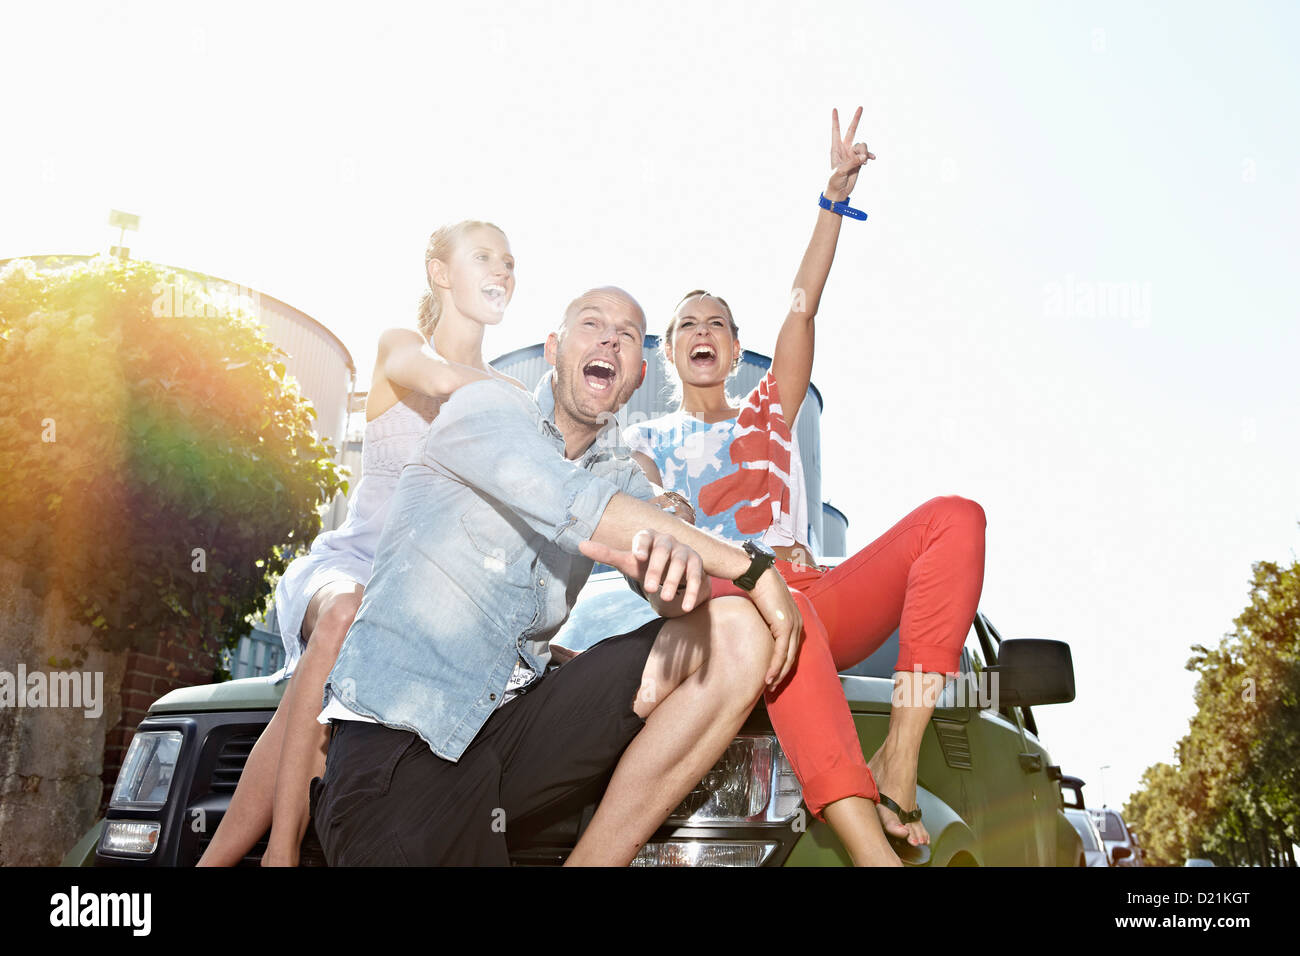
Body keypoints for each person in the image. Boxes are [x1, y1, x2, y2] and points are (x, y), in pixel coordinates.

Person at [312, 287, 804, 866]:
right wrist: (754, 567)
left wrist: (678, 567)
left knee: (734, 631)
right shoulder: (487, 408)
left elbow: (670, 589)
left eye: (625, 335)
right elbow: (576, 501)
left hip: (506, 743)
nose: (609, 339)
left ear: (636, 375)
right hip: (400, 753)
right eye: (591, 324)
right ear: (553, 348)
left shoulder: (623, 480)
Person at [622, 108, 988, 866]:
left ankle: (900, 758)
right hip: (730, 600)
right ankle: (870, 851)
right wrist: (673, 512)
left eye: (717, 322)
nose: (702, 328)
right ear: (670, 352)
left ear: (731, 348)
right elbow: (644, 503)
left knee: (956, 519)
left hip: (814, 586)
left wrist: (832, 203)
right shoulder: (647, 439)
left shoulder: (770, 410)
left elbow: (803, 303)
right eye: (687, 321)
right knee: (780, 612)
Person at [197, 220, 522, 866]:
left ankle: (215, 861)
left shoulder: (508, 393)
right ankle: (281, 852)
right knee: (345, 615)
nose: (503, 270)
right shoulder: (403, 347)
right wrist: (520, 408)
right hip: (349, 567)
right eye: (484, 256)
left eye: (510, 261)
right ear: (440, 272)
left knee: (310, 699)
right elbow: (428, 377)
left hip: (415, 600)